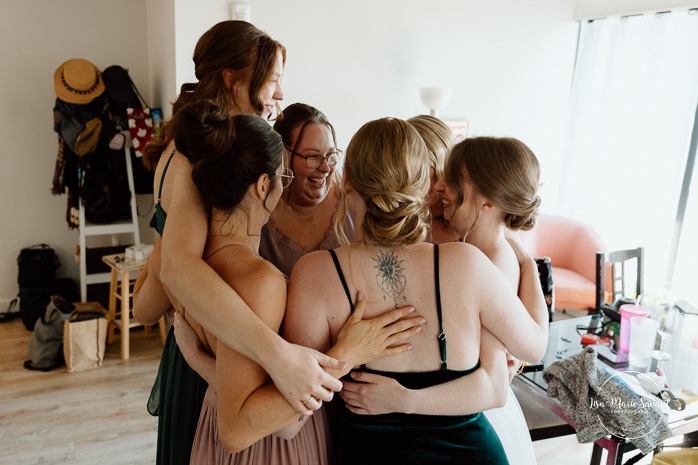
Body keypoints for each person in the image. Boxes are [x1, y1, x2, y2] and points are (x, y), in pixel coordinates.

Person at [167, 100, 422, 465]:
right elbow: (249, 428)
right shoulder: (260, 281)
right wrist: (346, 355)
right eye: (284, 176)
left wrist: (196, 360)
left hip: (213, 429)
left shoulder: (192, 261)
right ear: (263, 186)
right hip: (272, 449)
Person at [282, 117, 549, 464]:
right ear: (425, 184)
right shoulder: (467, 263)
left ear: (345, 181)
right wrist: (528, 265)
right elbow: (535, 346)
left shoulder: (315, 275)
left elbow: (289, 423)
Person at [129, 20, 325, 465]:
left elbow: (148, 300)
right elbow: (178, 268)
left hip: (200, 347)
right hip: (220, 360)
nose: (278, 94)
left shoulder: (189, 150)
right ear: (231, 78)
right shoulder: (195, 160)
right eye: (271, 80)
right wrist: (278, 355)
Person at [260, 103, 354, 277]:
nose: (325, 168)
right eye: (313, 156)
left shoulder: (353, 198)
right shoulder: (259, 214)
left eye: (331, 155)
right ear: (283, 155)